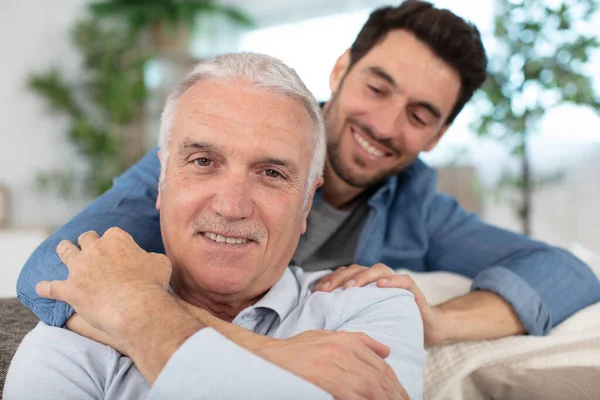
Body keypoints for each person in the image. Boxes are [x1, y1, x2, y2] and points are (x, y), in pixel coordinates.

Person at [16, 1, 600, 345]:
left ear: (439, 135)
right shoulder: (219, 148)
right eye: (377, 87)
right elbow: (47, 273)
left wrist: (440, 323)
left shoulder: (418, 208)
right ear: (342, 67)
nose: (386, 125)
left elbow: (569, 273)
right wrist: (256, 351)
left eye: (420, 115)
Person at [5, 52, 422, 400]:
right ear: (162, 183)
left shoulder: (369, 307)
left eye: (272, 173)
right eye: (204, 162)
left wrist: (137, 314)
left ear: (307, 202)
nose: (231, 206)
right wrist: (273, 358)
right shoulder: (69, 338)